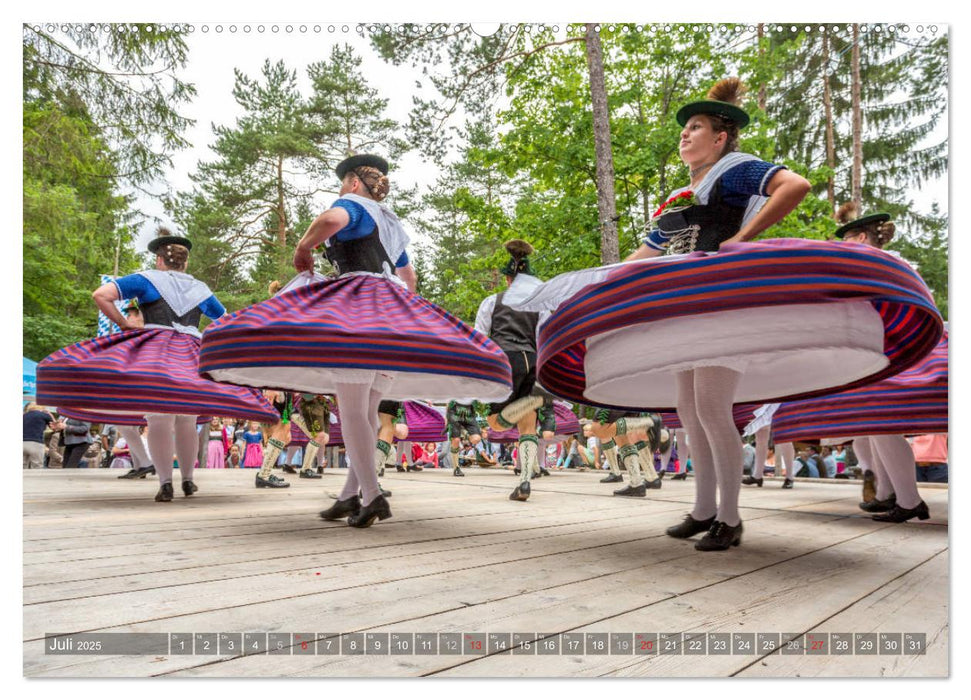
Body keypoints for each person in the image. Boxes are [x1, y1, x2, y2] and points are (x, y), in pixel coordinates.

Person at [512, 78, 941, 550]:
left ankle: (730, 518)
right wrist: (596, 288)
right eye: (684, 128)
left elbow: (793, 185)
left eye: (695, 127)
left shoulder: (733, 169)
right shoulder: (680, 195)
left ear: (720, 137)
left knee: (713, 408)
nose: (684, 134)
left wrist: (742, 239)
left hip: (723, 304)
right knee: (689, 409)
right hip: (686, 304)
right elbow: (646, 253)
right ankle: (703, 509)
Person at [198, 154, 511, 527]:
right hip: (388, 317)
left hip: (358, 314)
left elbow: (331, 220)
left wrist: (303, 248)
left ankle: (374, 495)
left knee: (352, 412)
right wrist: (400, 316)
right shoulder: (389, 223)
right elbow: (408, 277)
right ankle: (349, 495)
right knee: (365, 413)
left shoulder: (354, 206)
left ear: (352, 183)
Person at [36, 226, 278, 502]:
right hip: (191, 352)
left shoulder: (146, 279)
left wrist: (124, 323)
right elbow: (224, 319)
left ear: (159, 259)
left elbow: (100, 295)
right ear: (185, 262)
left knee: (159, 416)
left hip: (157, 352)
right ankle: (188, 480)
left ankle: (165, 483)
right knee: (187, 417)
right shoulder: (199, 289)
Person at [475, 240, 553, 502]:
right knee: (528, 425)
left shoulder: (491, 302)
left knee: (495, 422)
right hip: (532, 360)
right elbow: (545, 337)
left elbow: (479, 338)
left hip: (504, 359)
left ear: (508, 280)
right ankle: (525, 482)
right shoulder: (540, 306)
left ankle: (526, 405)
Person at [24, 404, 61, 469]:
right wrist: (50, 414)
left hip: (22, 442)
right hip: (36, 443)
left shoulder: (24, 416)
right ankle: (35, 479)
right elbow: (55, 427)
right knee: (37, 466)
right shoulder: (43, 415)